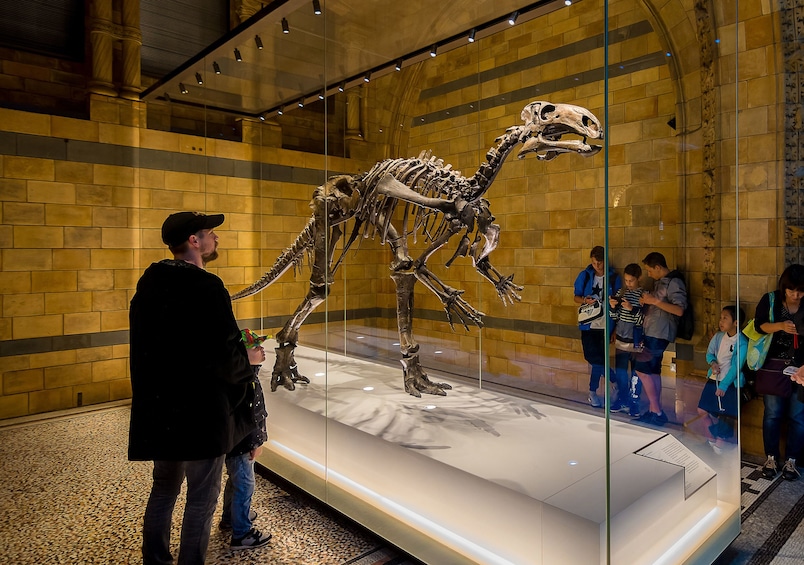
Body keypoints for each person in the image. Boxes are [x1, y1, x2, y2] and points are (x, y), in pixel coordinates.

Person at [128, 211, 266, 565]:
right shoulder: (207, 288)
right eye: (210, 234)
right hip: (201, 414)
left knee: (164, 488)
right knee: (202, 497)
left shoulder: (149, 283)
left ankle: (155, 559)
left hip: (162, 411)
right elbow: (220, 355)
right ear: (194, 241)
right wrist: (248, 359)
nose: (215, 239)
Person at [219, 329, 271, 550]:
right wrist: (255, 442)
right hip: (242, 444)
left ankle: (232, 517)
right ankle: (242, 533)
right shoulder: (242, 382)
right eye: (255, 348)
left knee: (236, 481)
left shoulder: (247, 376)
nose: (262, 350)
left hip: (240, 443)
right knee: (245, 485)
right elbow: (248, 416)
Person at [754, 264, 804, 481]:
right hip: (774, 367)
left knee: (798, 416)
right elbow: (758, 326)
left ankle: (792, 461)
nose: (796, 295)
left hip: (801, 368)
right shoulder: (771, 299)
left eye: (801, 291)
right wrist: (781, 326)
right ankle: (771, 458)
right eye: (791, 290)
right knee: (772, 414)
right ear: (784, 288)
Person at [633, 252, 688, 426]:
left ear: (658, 267)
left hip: (660, 332)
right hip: (652, 330)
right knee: (653, 372)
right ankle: (654, 410)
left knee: (641, 369)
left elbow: (679, 310)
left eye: (650, 270)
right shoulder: (661, 282)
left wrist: (654, 301)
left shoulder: (674, 282)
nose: (648, 274)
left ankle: (656, 410)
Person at [574, 246, 621, 408]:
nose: (597, 266)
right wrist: (585, 300)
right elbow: (576, 297)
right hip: (588, 324)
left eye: (599, 263)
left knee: (599, 360)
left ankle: (592, 392)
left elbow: (619, 303)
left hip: (605, 324)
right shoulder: (585, 275)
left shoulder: (614, 278)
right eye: (594, 263)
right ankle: (615, 382)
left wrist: (615, 329)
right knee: (593, 358)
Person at [697, 305, 747, 453]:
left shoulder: (741, 341)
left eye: (725, 318)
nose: (721, 321)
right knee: (702, 410)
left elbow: (737, 367)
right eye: (721, 317)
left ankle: (720, 445)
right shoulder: (719, 336)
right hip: (714, 378)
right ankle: (711, 440)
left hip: (729, 383)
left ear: (736, 322)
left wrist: (724, 385)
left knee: (724, 415)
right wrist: (713, 363)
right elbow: (709, 354)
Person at [609, 263, 644, 415]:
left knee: (636, 374)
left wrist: (632, 309)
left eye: (631, 281)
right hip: (621, 339)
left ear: (639, 278)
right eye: (626, 280)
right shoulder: (621, 292)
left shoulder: (643, 295)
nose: (628, 284)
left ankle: (634, 401)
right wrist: (612, 307)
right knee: (621, 372)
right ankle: (622, 399)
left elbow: (643, 319)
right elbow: (615, 317)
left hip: (636, 341)